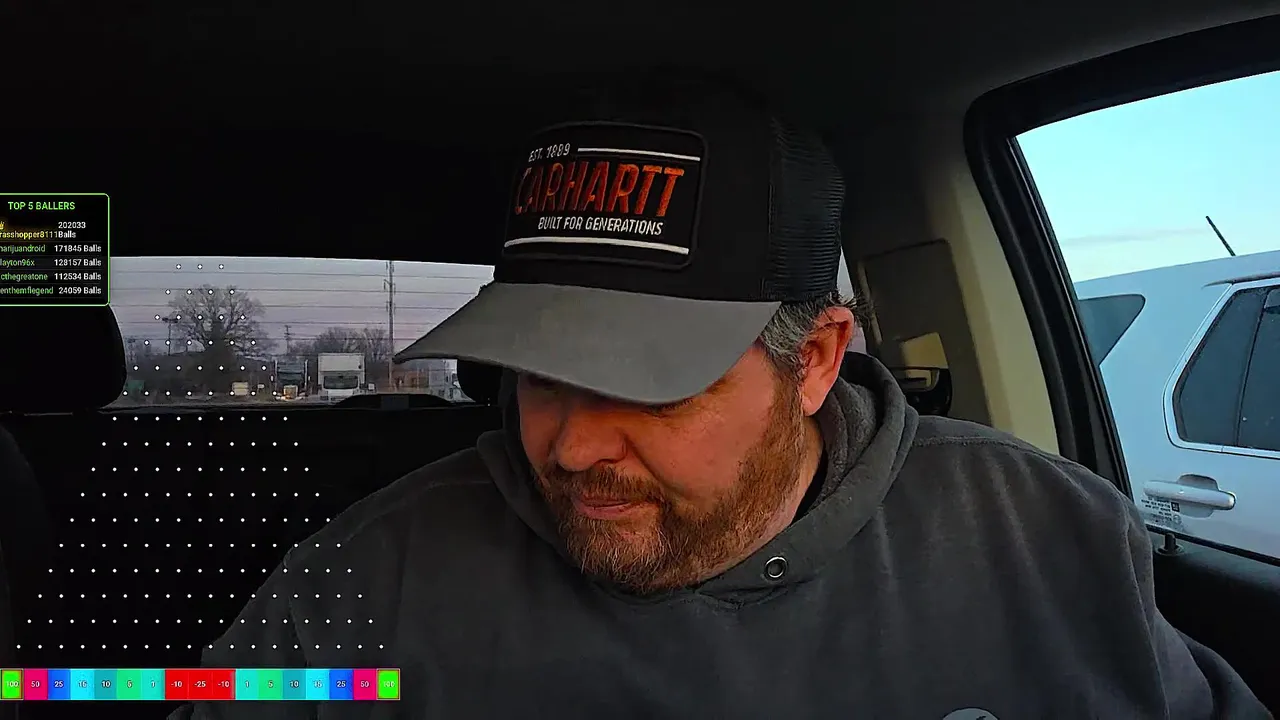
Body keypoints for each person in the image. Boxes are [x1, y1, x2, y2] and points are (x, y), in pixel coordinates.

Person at [169, 79, 1269, 719]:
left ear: (815, 359)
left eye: (648, 384)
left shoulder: (1041, 539)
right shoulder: (383, 576)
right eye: (538, 375)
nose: (572, 447)